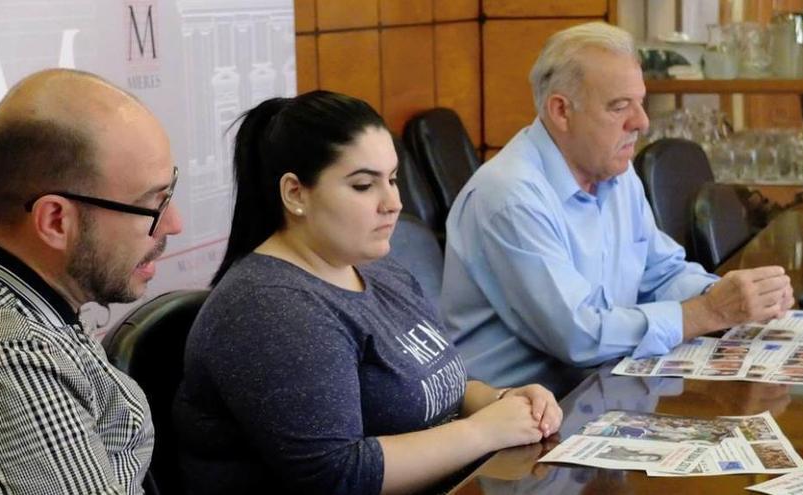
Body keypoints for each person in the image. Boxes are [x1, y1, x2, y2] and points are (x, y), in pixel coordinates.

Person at [172, 90, 563, 495]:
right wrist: (483, 432)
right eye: (363, 185)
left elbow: (437, 387)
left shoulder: (378, 268)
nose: (392, 202)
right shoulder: (268, 307)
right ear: (295, 194)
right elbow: (340, 475)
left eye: (392, 180)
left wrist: (502, 401)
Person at [440, 22, 794, 397]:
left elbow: (660, 274)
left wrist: (733, 295)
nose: (641, 122)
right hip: (514, 426)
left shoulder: (614, 173)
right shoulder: (509, 196)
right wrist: (710, 312)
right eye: (620, 106)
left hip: (604, 392)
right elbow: (579, 335)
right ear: (561, 111)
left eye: (640, 102)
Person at [0, 69, 183, 493]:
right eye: (152, 204)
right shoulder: (6, 362)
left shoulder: (29, 302)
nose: (175, 224)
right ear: (56, 220)